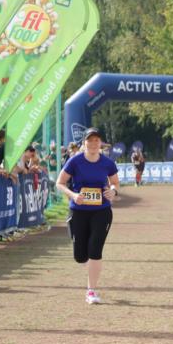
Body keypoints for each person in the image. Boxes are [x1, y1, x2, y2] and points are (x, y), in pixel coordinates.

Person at [55, 127, 121, 304]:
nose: (93, 144)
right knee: (80, 256)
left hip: (102, 211)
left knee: (95, 250)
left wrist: (113, 191)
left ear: (100, 143)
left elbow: (115, 183)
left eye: (96, 140)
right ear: (83, 143)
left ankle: (91, 291)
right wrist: (74, 195)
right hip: (78, 211)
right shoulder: (75, 161)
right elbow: (60, 183)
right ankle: (91, 267)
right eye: (90, 140)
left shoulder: (107, 163)